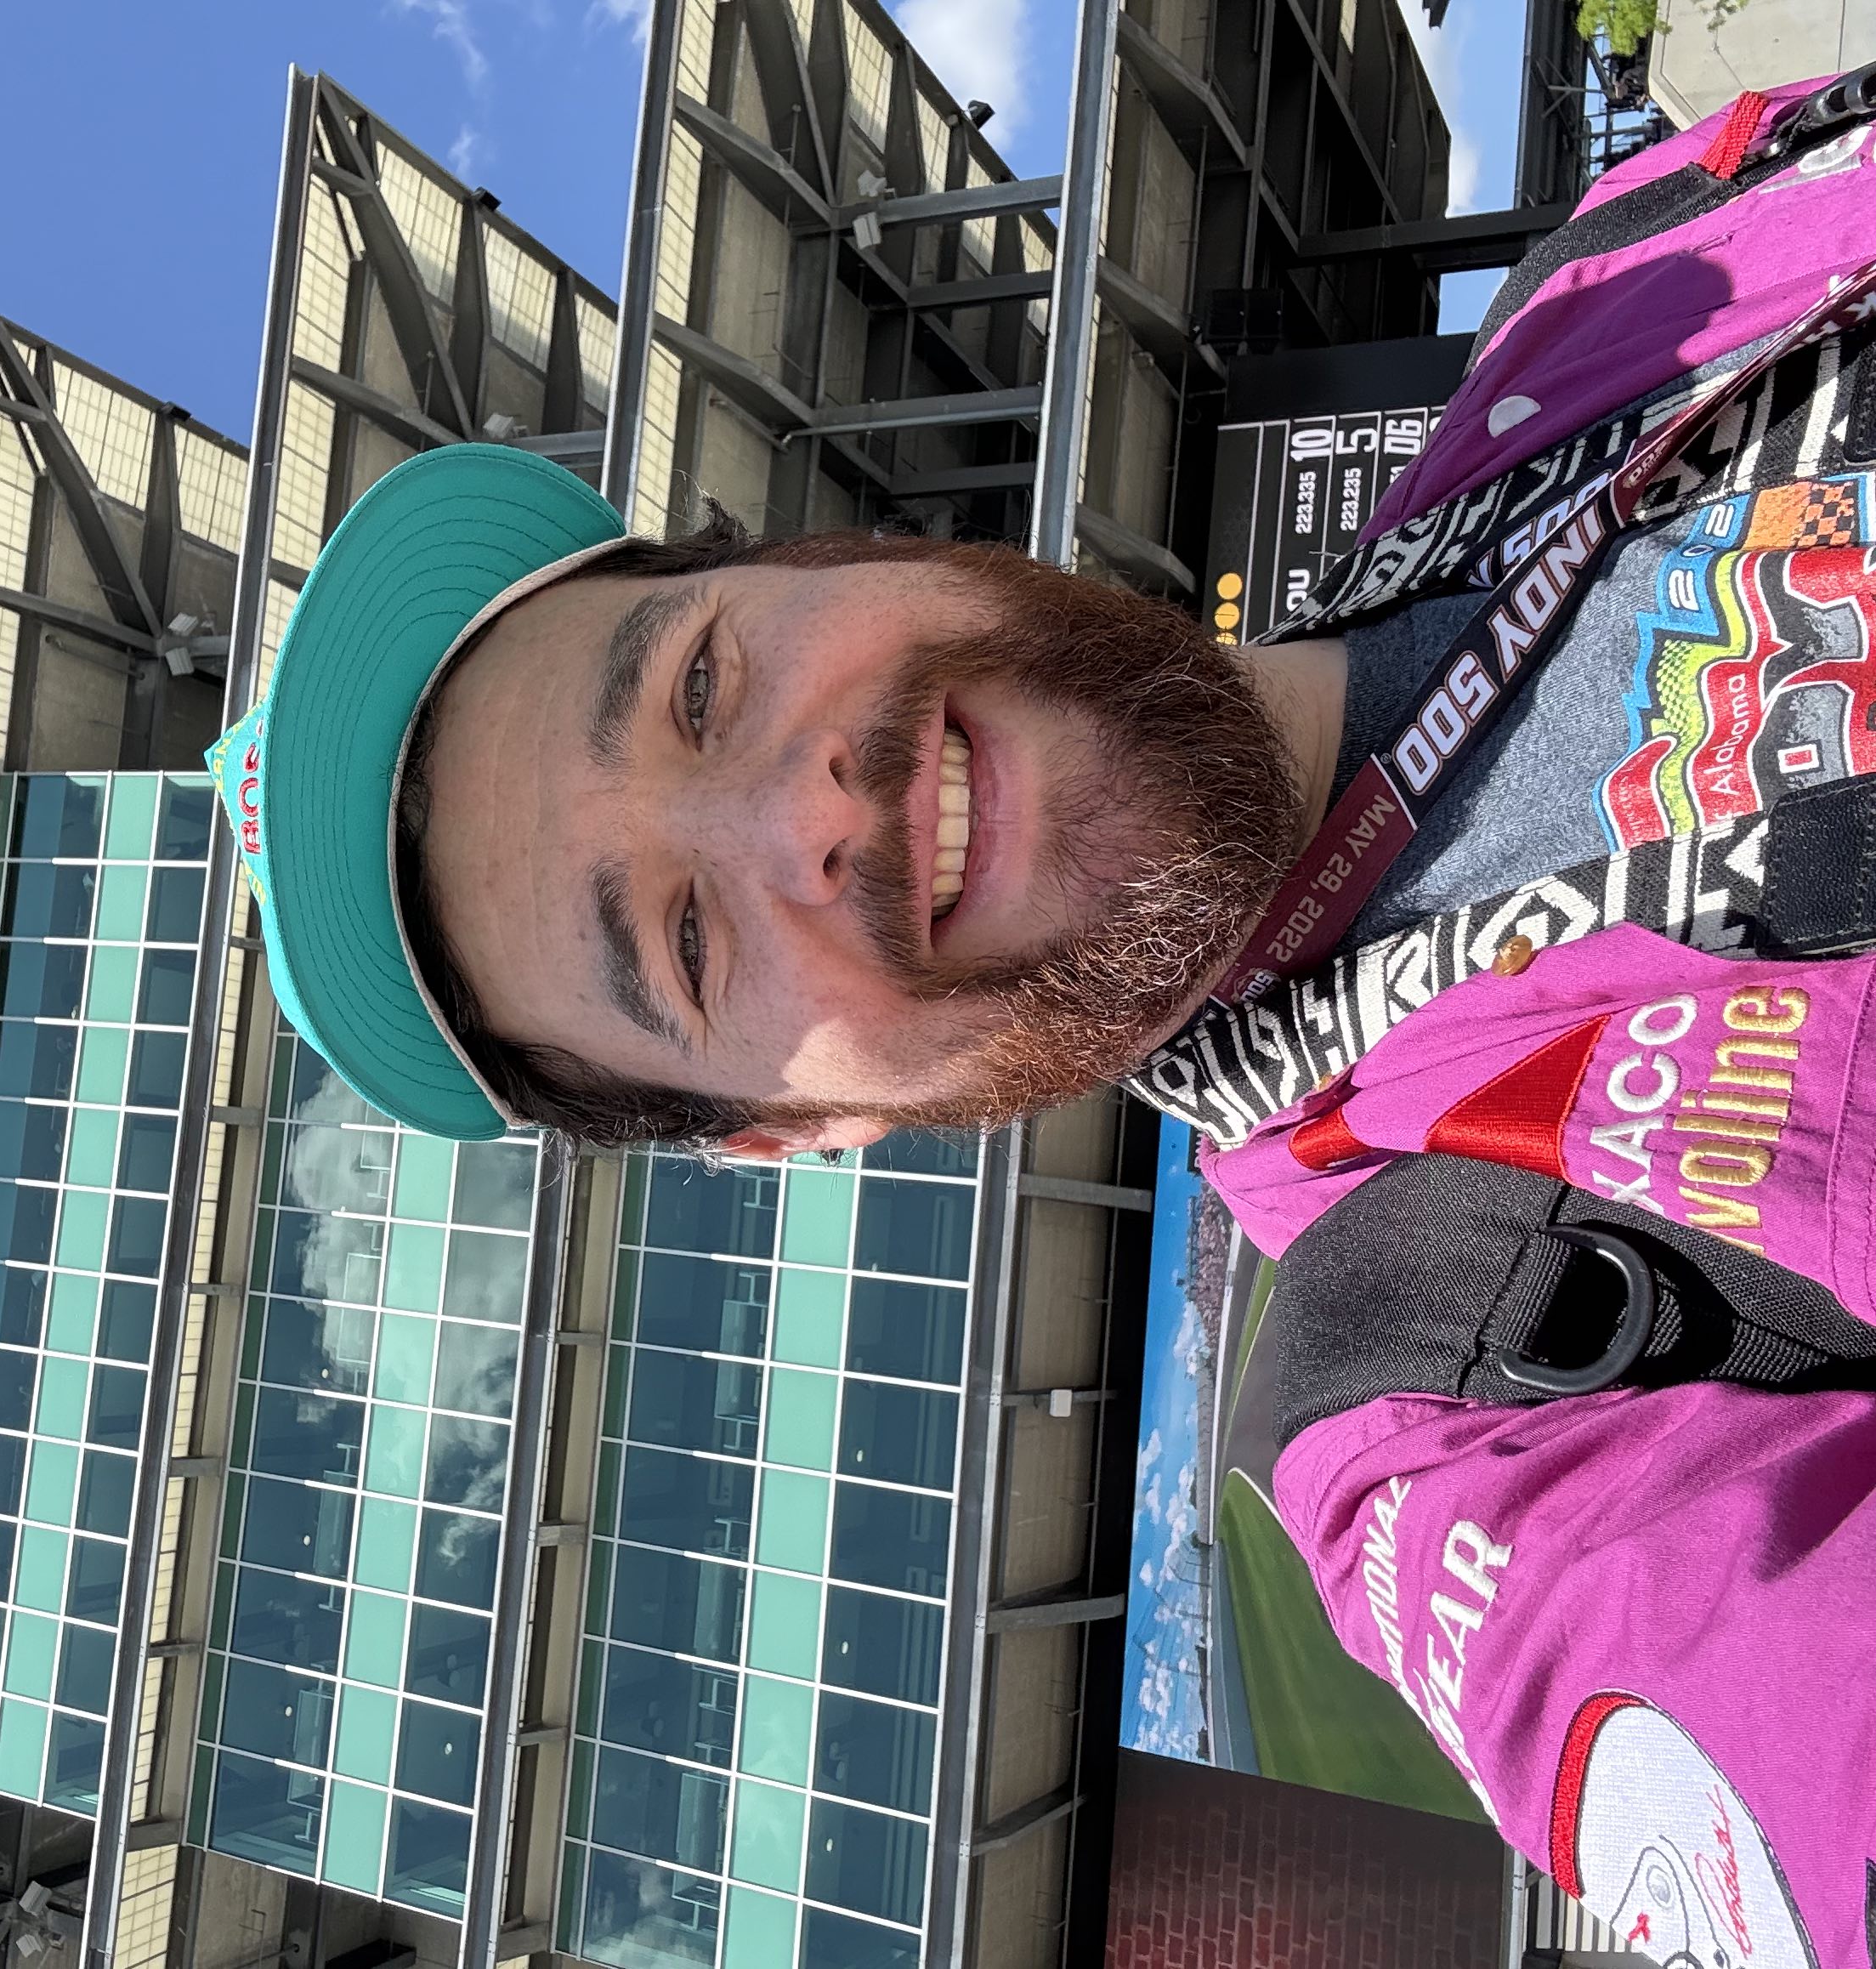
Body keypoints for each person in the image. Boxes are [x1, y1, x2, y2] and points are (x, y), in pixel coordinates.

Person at [211, 73, 1876, 1969]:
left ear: (824, 556)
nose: (805, 815)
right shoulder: (1434, 1398)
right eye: (681, 944)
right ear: (787, 1132)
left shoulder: (1613, 286)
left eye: (696, 687)